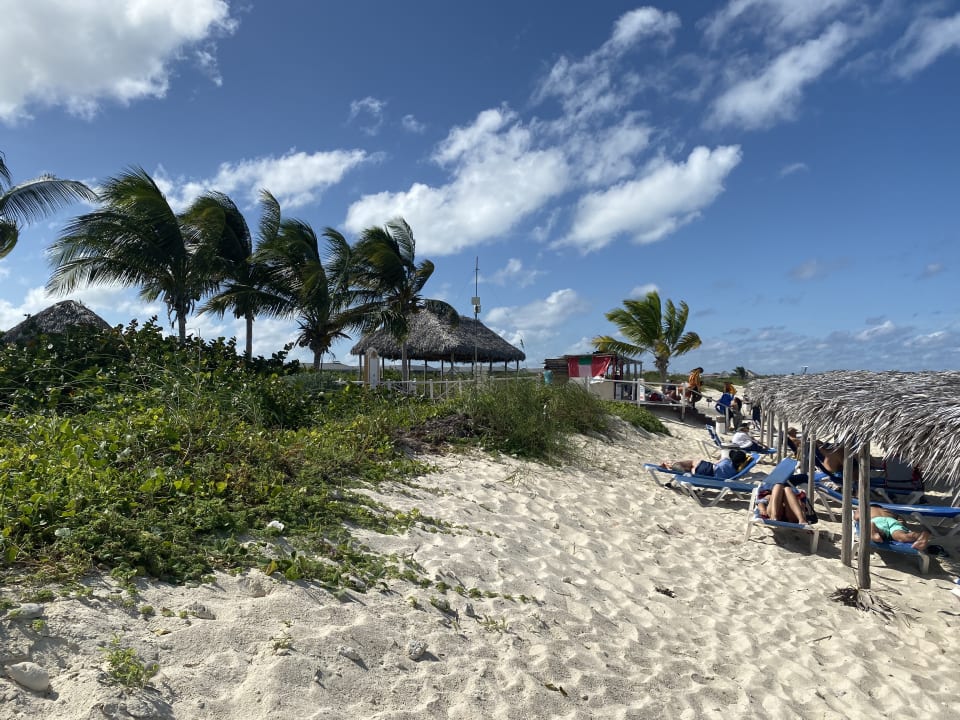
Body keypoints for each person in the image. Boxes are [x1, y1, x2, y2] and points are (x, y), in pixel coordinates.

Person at [857, 505, 930, 550]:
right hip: (893, 521)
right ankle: (920, 535)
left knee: (878, 528)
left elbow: (857, 517)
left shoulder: (866, 508)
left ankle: (874, 529)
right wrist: (902, 526)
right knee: (902, 537)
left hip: (876, 520)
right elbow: (901, 520)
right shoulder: (888, 511)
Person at [661, 448, 749, 479]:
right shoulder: (734, 472)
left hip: (707, 468)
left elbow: (716, 463)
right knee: (692, 468)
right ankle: (673, 466)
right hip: (708, 473)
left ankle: (671, 465)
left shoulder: (726, 460)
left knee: (693, 462)